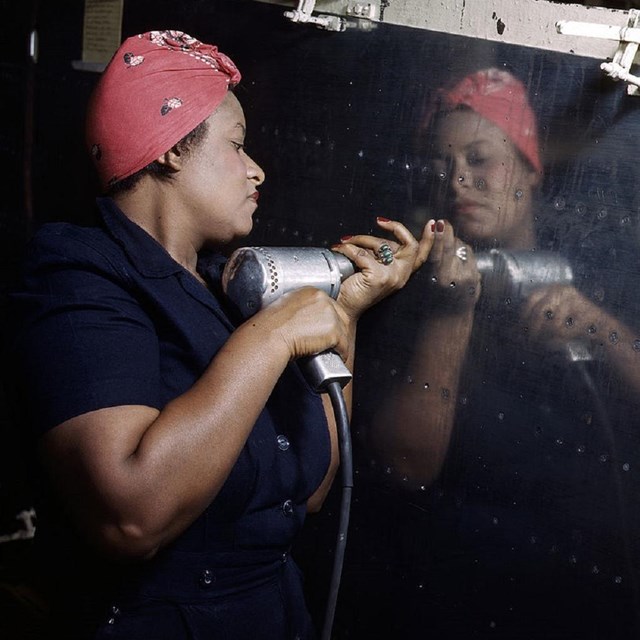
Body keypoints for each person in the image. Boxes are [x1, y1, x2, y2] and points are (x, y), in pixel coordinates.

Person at [7, 30, 435, 639]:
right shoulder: (77, 277)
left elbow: (311, 490)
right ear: (171, 151)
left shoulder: (222, 290)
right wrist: (272, 336)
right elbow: (128, 518)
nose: (257, 168)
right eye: (236, 145)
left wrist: (346, 319)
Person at [346, 68, 640, 638]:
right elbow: (407, 466)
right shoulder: (407, 293)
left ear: (530, 169)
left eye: (480, 159)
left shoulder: (594, 268)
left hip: (584, 589)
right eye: (442, 165)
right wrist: (450, 314)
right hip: (452, 590)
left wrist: (602, 330)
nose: (458, 180)